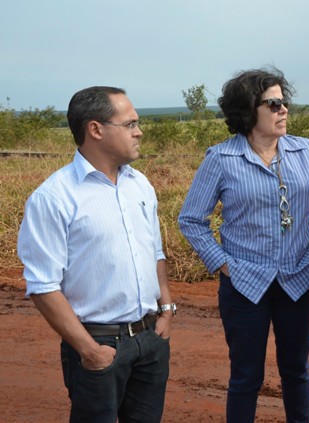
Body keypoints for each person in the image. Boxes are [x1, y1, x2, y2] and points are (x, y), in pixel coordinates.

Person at [178, 67, 309, 423]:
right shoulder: (221, 158)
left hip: (299, 279)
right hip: (244, 284)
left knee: (296, 370)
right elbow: (191, 219)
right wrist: (224, 264)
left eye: (284, 102)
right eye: (274, 103)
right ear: (249, 110)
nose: (284, 110)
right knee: (246, 376)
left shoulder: (305, 151)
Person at [17, 86, 175, 423]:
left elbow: (155, 252)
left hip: (150, 339)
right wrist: (89, 350)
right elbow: (43, 284)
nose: (139, 131)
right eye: (130, 123)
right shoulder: (54, 197)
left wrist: (166, 310)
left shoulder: (140, 185)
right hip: (98, 344)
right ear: (96, 129)